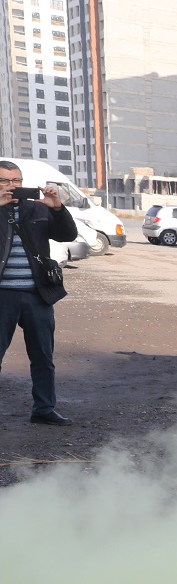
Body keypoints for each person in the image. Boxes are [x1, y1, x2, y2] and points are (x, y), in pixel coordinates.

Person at [0, 160, 77, 425]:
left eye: (17, 181)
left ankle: (44, 409)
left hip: (37, 294)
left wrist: (57, 208)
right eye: (5, 181)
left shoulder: (36, 208)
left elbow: (67, 234)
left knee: (43, 356)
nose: (12, 186)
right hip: (3, 296)